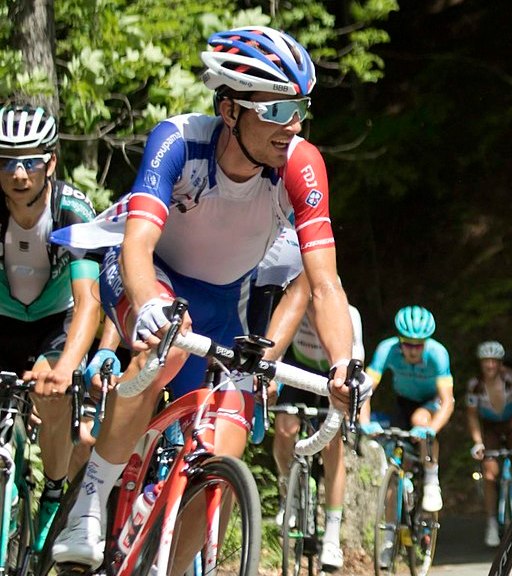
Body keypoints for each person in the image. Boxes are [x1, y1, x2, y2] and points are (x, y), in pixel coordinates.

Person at [50, 26, 367, 572]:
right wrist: (150, 305)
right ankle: (90, 503)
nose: (292, 125)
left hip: (224, 304)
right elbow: (137, 244)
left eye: (300, 109)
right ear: (229, 110)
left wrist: (343, 364)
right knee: (169, 346)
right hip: (146, 272)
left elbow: (324, 283)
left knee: (224, 450)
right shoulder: (178, 141)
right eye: (276, 110)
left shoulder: (301, 163)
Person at [0, 104, 103, 549]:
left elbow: (89, 302)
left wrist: (64, 369)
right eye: (6, 162)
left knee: (53, 396)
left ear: (52, 163)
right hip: (4, 320)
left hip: (56, 323)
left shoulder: (72, 210)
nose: (18, 174)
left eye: (30, 162)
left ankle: (55, 490)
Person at [253, 229, 364, 572]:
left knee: (332, 448)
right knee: (285, 429)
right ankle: (289, 491)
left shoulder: (349, 316)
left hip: (333, 376)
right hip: (300, 370)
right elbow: (278, 349)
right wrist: (270, 383)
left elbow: (357, 365)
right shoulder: (298, 308)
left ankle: (332, 534)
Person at [361, 305, 454, 514]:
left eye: (419, 345)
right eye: (407, 344)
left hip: (431, 402)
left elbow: (448, 401)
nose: (413, 350)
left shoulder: (438, 353)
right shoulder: (387, 349)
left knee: (420, 420)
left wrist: (432, 430)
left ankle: (431, 480)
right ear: (399, 340)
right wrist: (364, 422)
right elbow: (365, 389)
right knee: (395, 462)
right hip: (403, 401)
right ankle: (390, 529)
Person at [466, 340, 512, 547]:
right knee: (489, 473)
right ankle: (491, 522)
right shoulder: (475, 385)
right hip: (490, 428)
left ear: (500, 363)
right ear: (480, 363)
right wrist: (477, 442)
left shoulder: (510, 379)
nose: (490, 365)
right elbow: (472, 416)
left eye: (494, 361)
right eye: (486, 361)